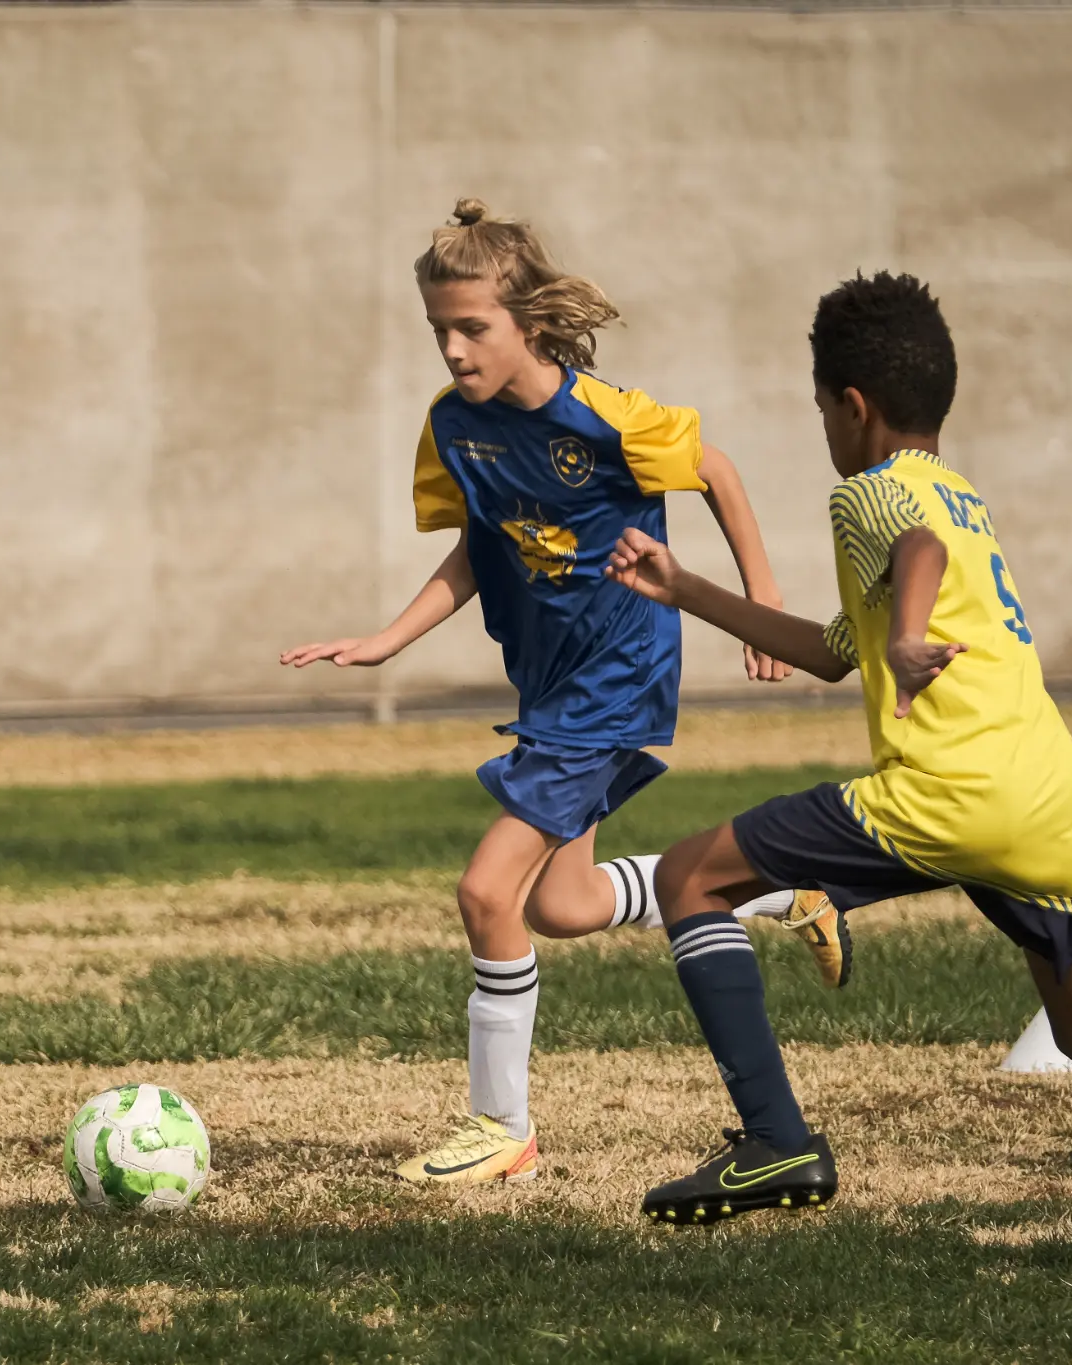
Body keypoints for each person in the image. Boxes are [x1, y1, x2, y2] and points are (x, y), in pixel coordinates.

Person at [607, 270, 1072, 1262]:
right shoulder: (959, 495)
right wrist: (687, 588)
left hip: (948, 792)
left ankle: (775, 1142)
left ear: (851, 406)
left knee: (686, 875)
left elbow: (909, 554)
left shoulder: (871, 494)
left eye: (817, 411)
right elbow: (838, 648)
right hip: (1042, 795)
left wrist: (911, 639)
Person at [281, 199, 844, 1187]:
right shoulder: (452, 428)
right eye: (437, 331)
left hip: (613, 682)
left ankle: (502, 1129)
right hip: (547, 688)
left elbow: (714, 470)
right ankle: (774, 889)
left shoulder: (605, 417)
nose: (452, 350)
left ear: (530, 323)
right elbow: (474, 551)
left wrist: (763, 598)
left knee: (483, 890)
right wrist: (385, 639)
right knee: (564, 906)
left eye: (471, 328)